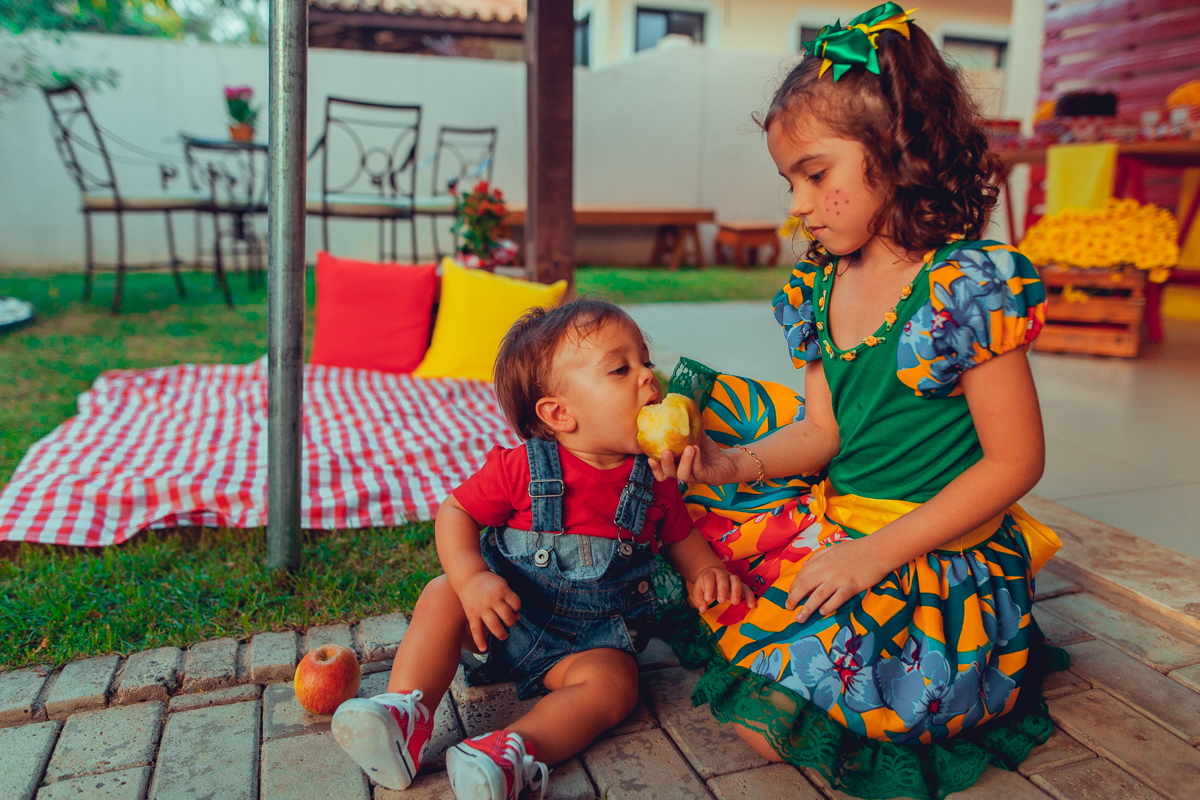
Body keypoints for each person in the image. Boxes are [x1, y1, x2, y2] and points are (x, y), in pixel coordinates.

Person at [650, 4, 1063, 797]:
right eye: (790, 182)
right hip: (846, 527)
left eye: (816, 175)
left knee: (778, 716)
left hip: (934, 555)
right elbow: (824, 431)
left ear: (896, 154)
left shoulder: (964, 286)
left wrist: (872, 555)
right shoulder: (820, 285)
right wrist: (733, 461)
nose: (798, 204)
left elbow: (1017, 461)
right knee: (748, 644)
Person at [331, 298, 754, 800]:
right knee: (441, 593)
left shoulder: (655, 476)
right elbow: (456, 512)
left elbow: (679, 535)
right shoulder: (522, 468)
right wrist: (472, 580)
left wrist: (705, 570)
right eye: (621, 369)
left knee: (617, 684)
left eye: (646, 362)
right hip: (502, 622)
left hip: (587, 646)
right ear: (559, 413)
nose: (648, 378)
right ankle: (403, 715)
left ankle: (510, 754)